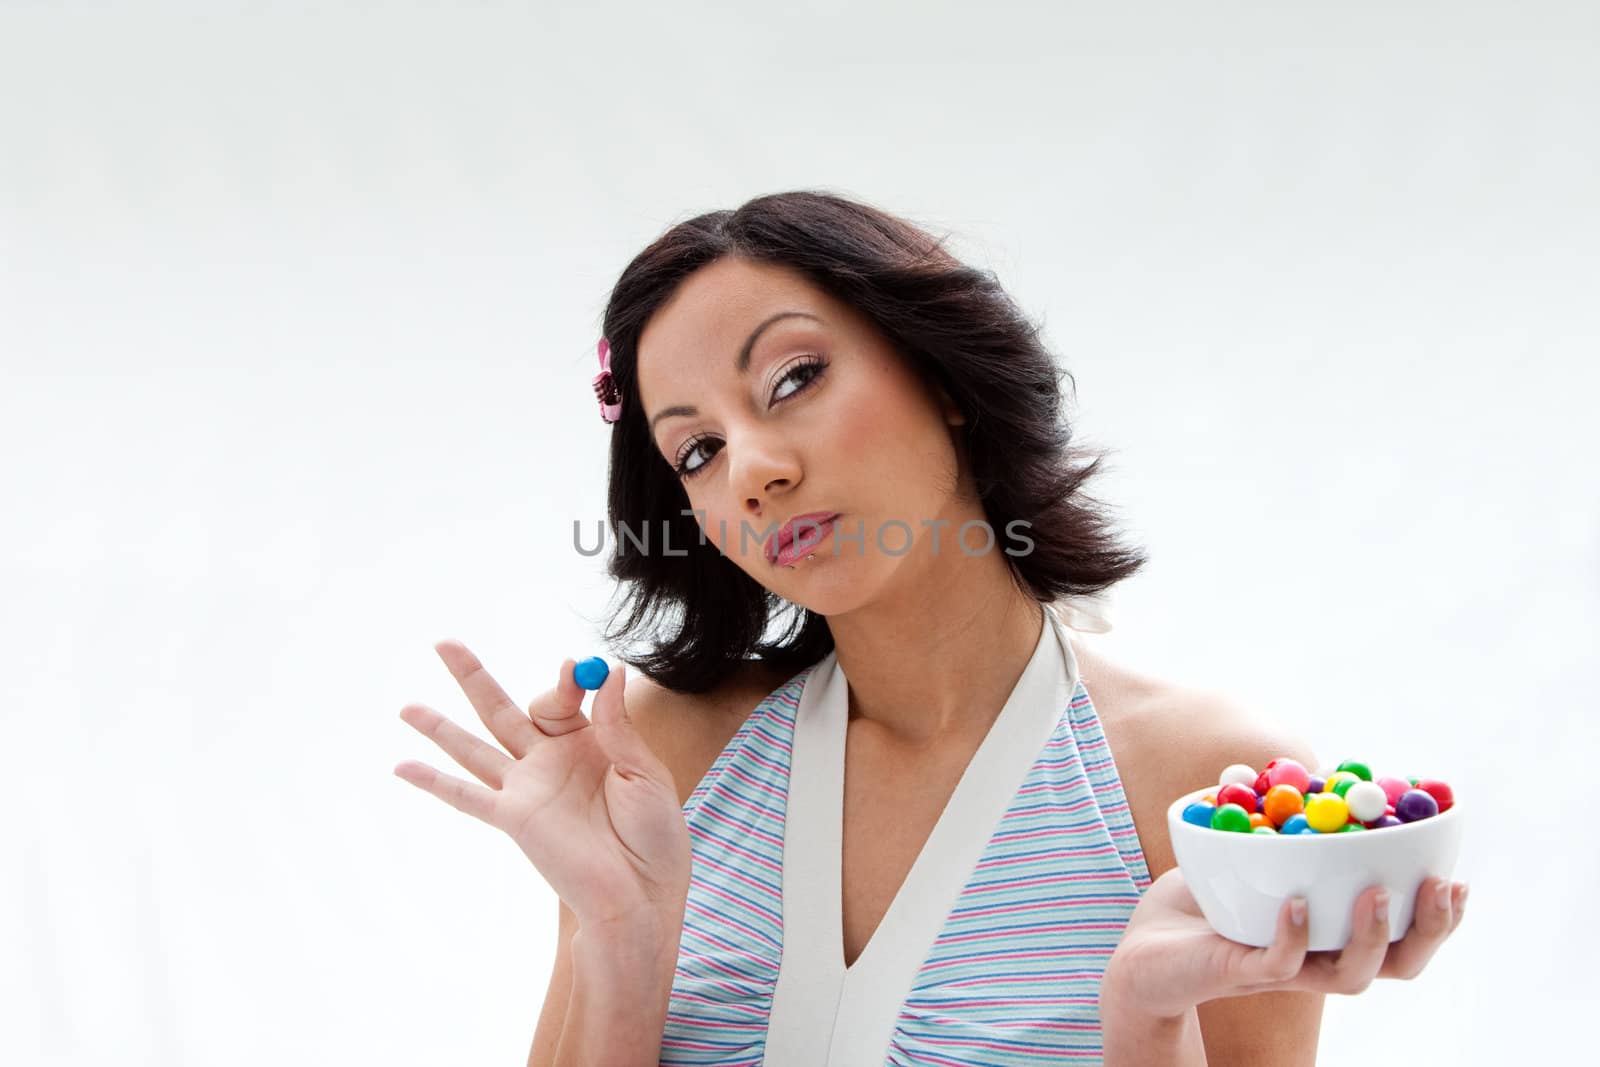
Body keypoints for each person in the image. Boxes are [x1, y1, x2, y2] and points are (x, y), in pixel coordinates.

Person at [393, 190, 1468, 1066]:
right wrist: (622, 943)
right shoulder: (659, 755)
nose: (756, 469)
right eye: (697, 452)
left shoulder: (1192, 777)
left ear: (941, 375)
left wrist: (1144, 1025)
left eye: (795, 378)